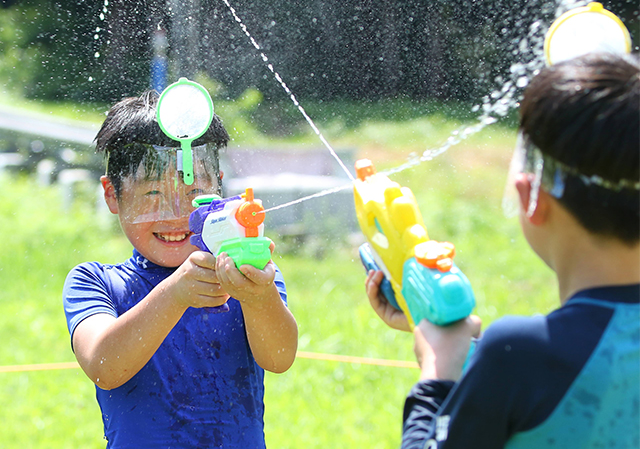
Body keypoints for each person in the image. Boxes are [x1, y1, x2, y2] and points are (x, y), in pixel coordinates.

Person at [365, 53, 640, 448]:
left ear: (531, 197)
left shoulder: (518, 356)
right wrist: (463, 351)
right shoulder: (519, 362)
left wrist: (438, 370)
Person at [62, 90, 298, 448]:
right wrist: (175, 293)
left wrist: (259, 298)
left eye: (194, 193)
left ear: (218, 187)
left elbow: (280, 358)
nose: (175, 213)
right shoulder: (96, 282)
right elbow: (105, 367)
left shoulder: (243, 276)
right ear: (112, 194)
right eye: (152, 194)